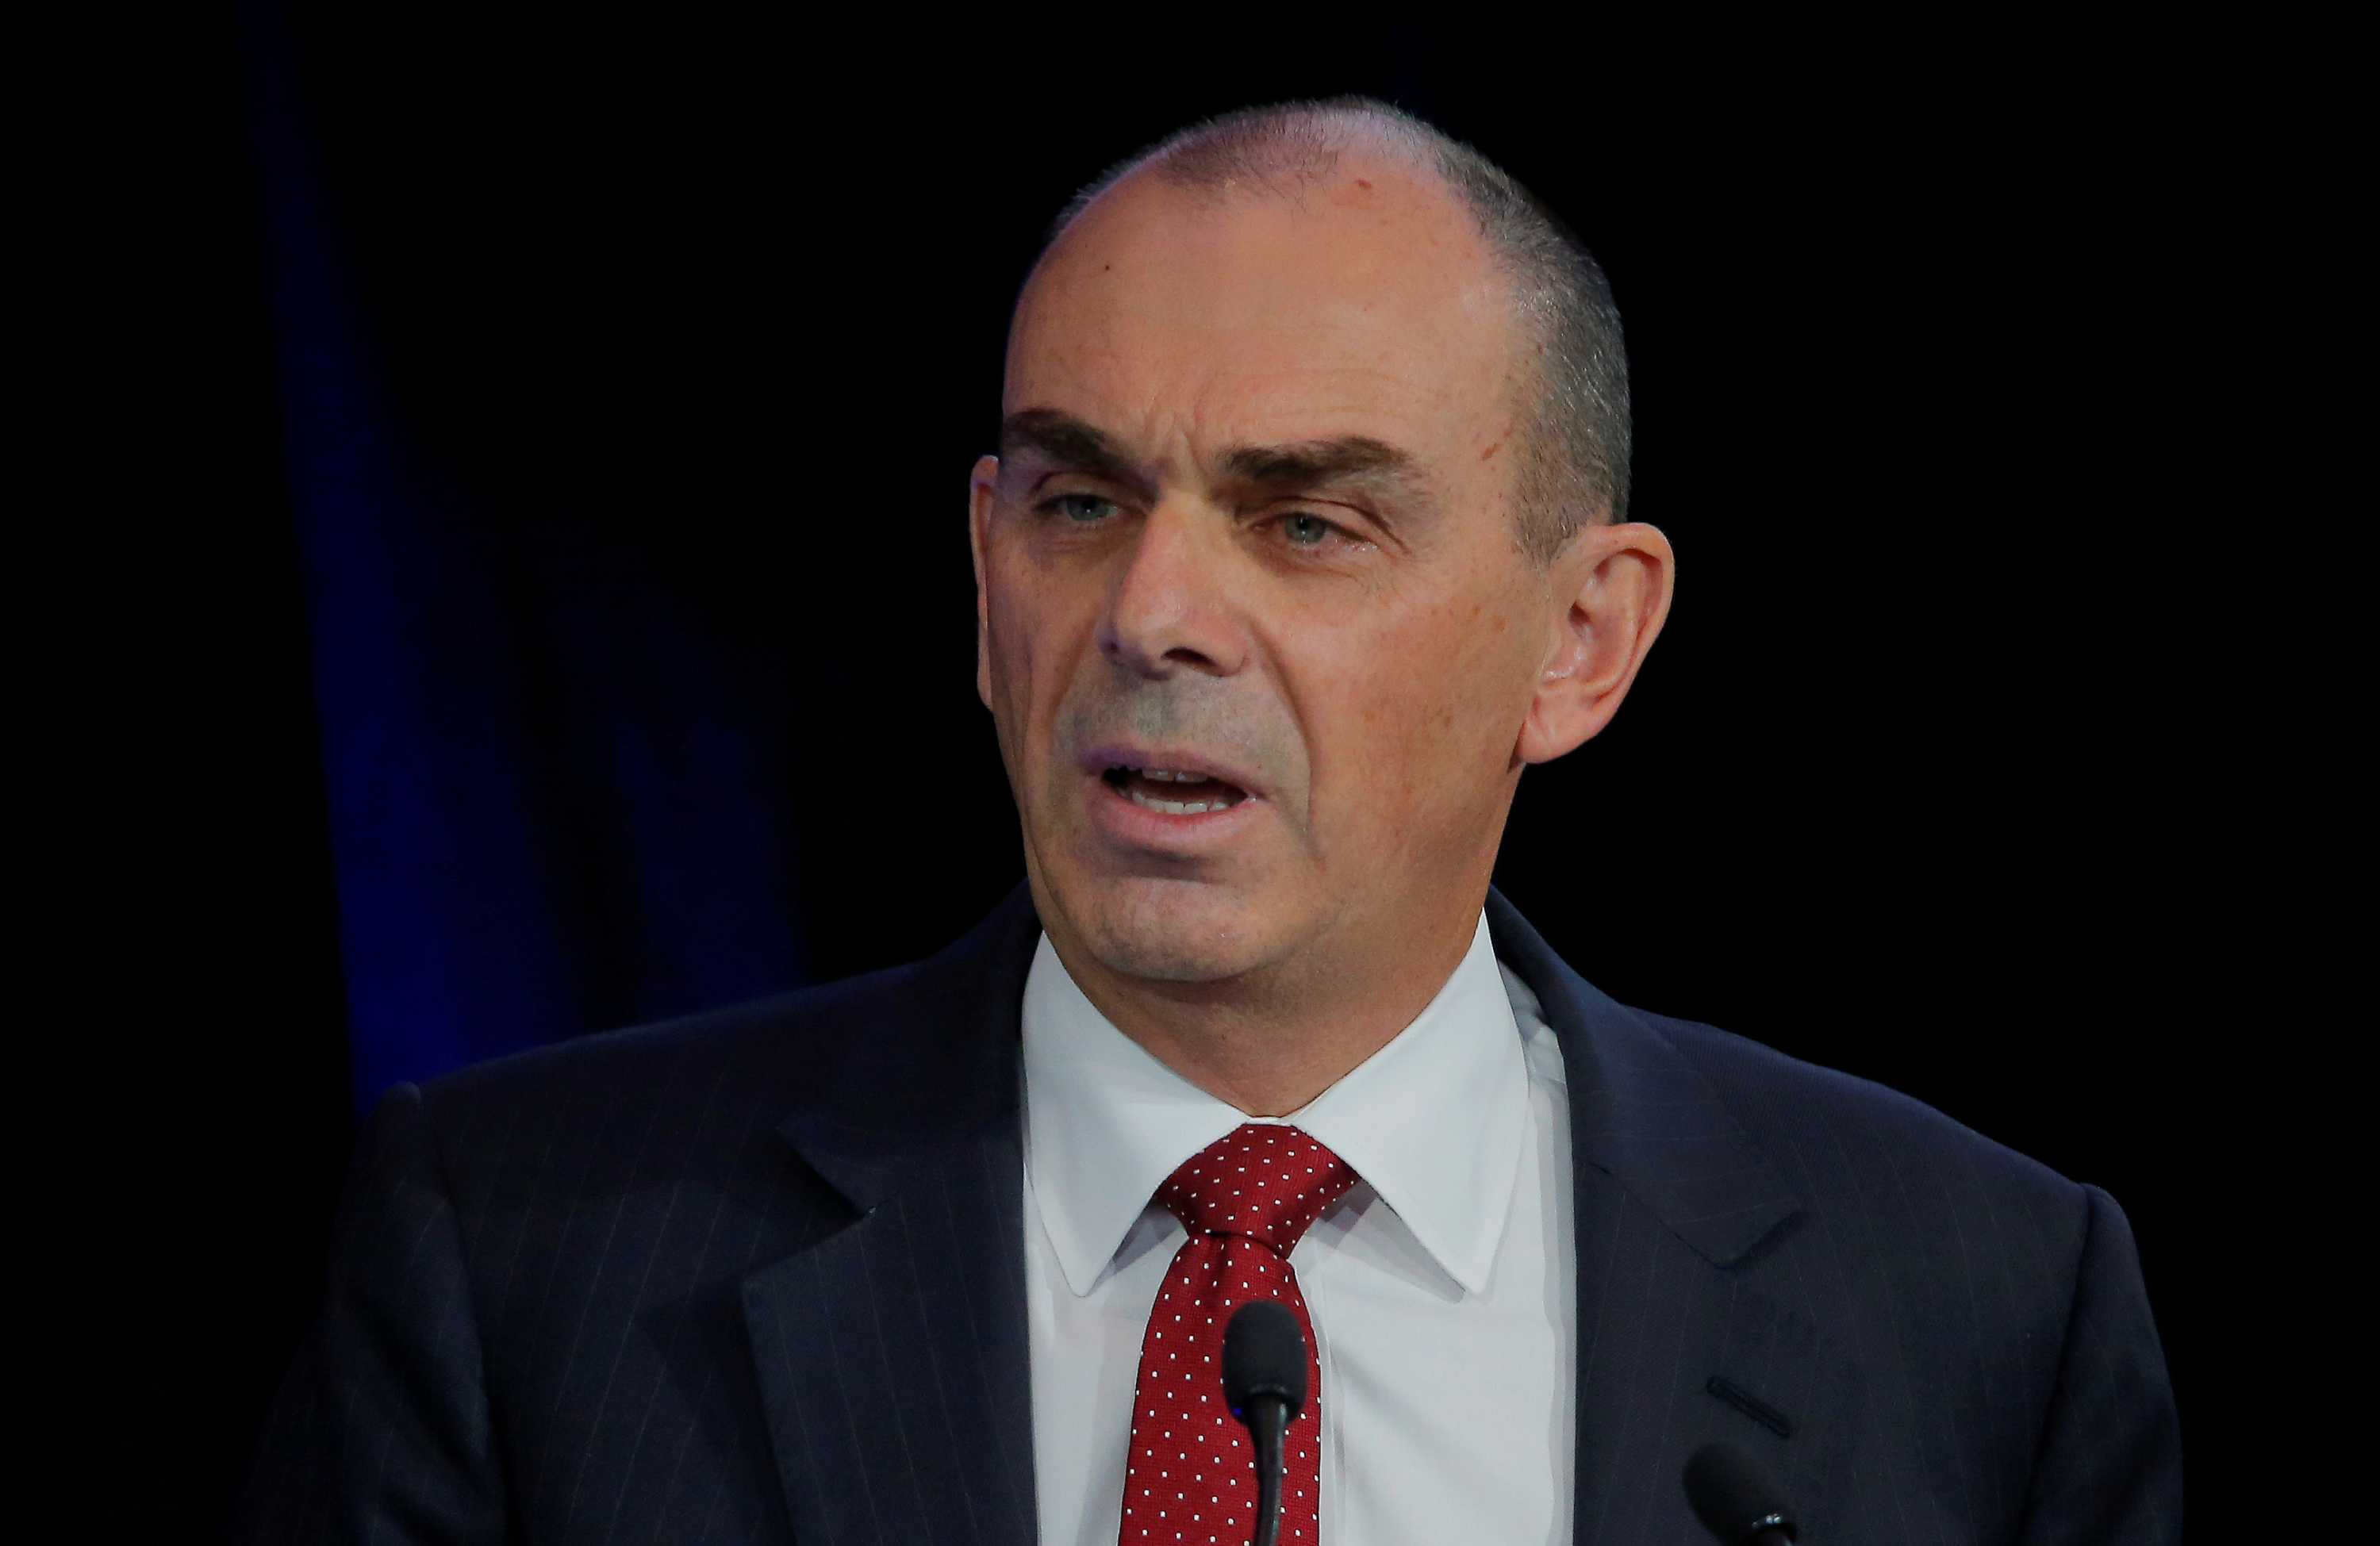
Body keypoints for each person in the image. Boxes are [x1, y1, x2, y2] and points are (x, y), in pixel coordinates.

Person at [240, 97, 2180, 1544]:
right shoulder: (518, 1261)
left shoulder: (1976, 1305)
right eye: (1079, 504)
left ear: (1583, 642)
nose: (1152, 615)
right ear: (983, 572)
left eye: (1305, 521)